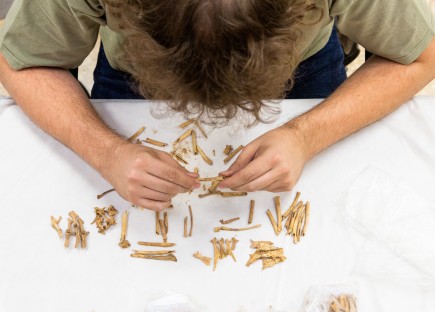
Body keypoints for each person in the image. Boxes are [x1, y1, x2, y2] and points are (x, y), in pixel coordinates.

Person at [0, 0, 434, 211]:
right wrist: (105, 150)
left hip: (304, 68)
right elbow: (23, 63)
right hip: (132, 75)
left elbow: (422, 54)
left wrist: (306, 134)